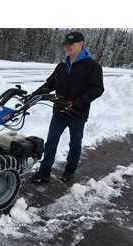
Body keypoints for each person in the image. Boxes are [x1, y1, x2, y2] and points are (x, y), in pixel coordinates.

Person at [29, 31, 104, 183]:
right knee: (51, 142)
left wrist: (77, 103)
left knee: (75, 143)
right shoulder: (62, 66)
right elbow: (50, 84)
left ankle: (69, 171)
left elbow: (97, 89)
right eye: (66, 44)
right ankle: (44, 173)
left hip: (78, 112)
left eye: (72, 44)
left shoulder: (92, 66)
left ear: (81, 44)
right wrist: (33, 95)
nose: (68, 47)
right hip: (60, 111)